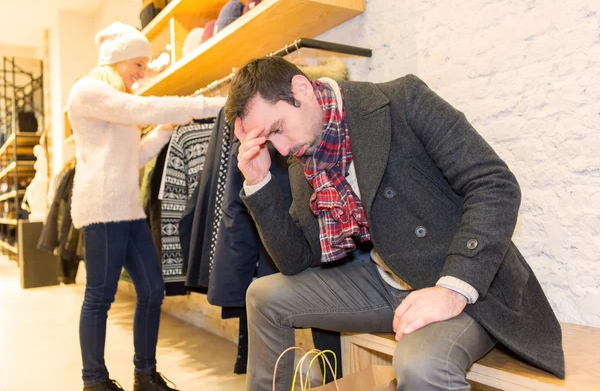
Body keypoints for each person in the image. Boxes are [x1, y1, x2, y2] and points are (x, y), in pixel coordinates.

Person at [224, 56, 565, 391]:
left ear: (302, 90)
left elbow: (494, 184)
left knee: (421, 367)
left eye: (278, 129)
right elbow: (295, 260)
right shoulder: (308, 153)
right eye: (269, 141)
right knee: (262, 296)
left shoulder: (402, 100)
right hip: (387, 279)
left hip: (462, 279)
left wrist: (452, 289)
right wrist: (259, 182)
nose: (281, 149)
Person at [67, 22, 226, 391]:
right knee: (100, 296)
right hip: (103, 210)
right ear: (117, 60)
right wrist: (213, 104)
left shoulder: (116, 102)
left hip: (128, 210)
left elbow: (134, 157)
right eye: (138, 64)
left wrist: (166, 130)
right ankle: (94, 381)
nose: (142, 73)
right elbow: (140, 109)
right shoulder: (87, 91)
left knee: (153, 290)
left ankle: (145, 375)